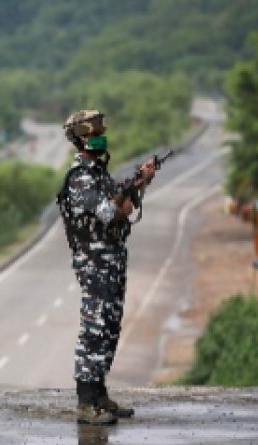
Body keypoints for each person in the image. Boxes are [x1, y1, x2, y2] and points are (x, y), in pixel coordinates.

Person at [57, 109, 156, 425]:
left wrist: (139, 184)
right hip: (94, 261)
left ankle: (99, 394)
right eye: (93, 133)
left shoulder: (99, 173)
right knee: (95, 327)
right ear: (80, 139)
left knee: (110, 327)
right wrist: (129, 191)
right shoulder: (81, 177)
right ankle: (86, 402)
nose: (100, 136)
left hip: (111, 260)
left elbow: (122, 207)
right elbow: (110, 213)